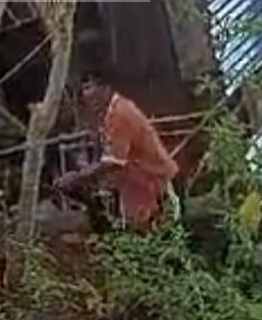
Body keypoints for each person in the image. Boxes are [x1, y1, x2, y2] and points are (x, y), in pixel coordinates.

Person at [54, 76, 180, 228]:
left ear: (106, 88)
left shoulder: (119, 114)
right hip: (137, 186)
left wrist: (77, 177)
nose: (86, 95)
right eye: (83, 90)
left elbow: (112, 163)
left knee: (153, 236)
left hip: (151, 185)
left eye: (89, 87)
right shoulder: (109, 116)